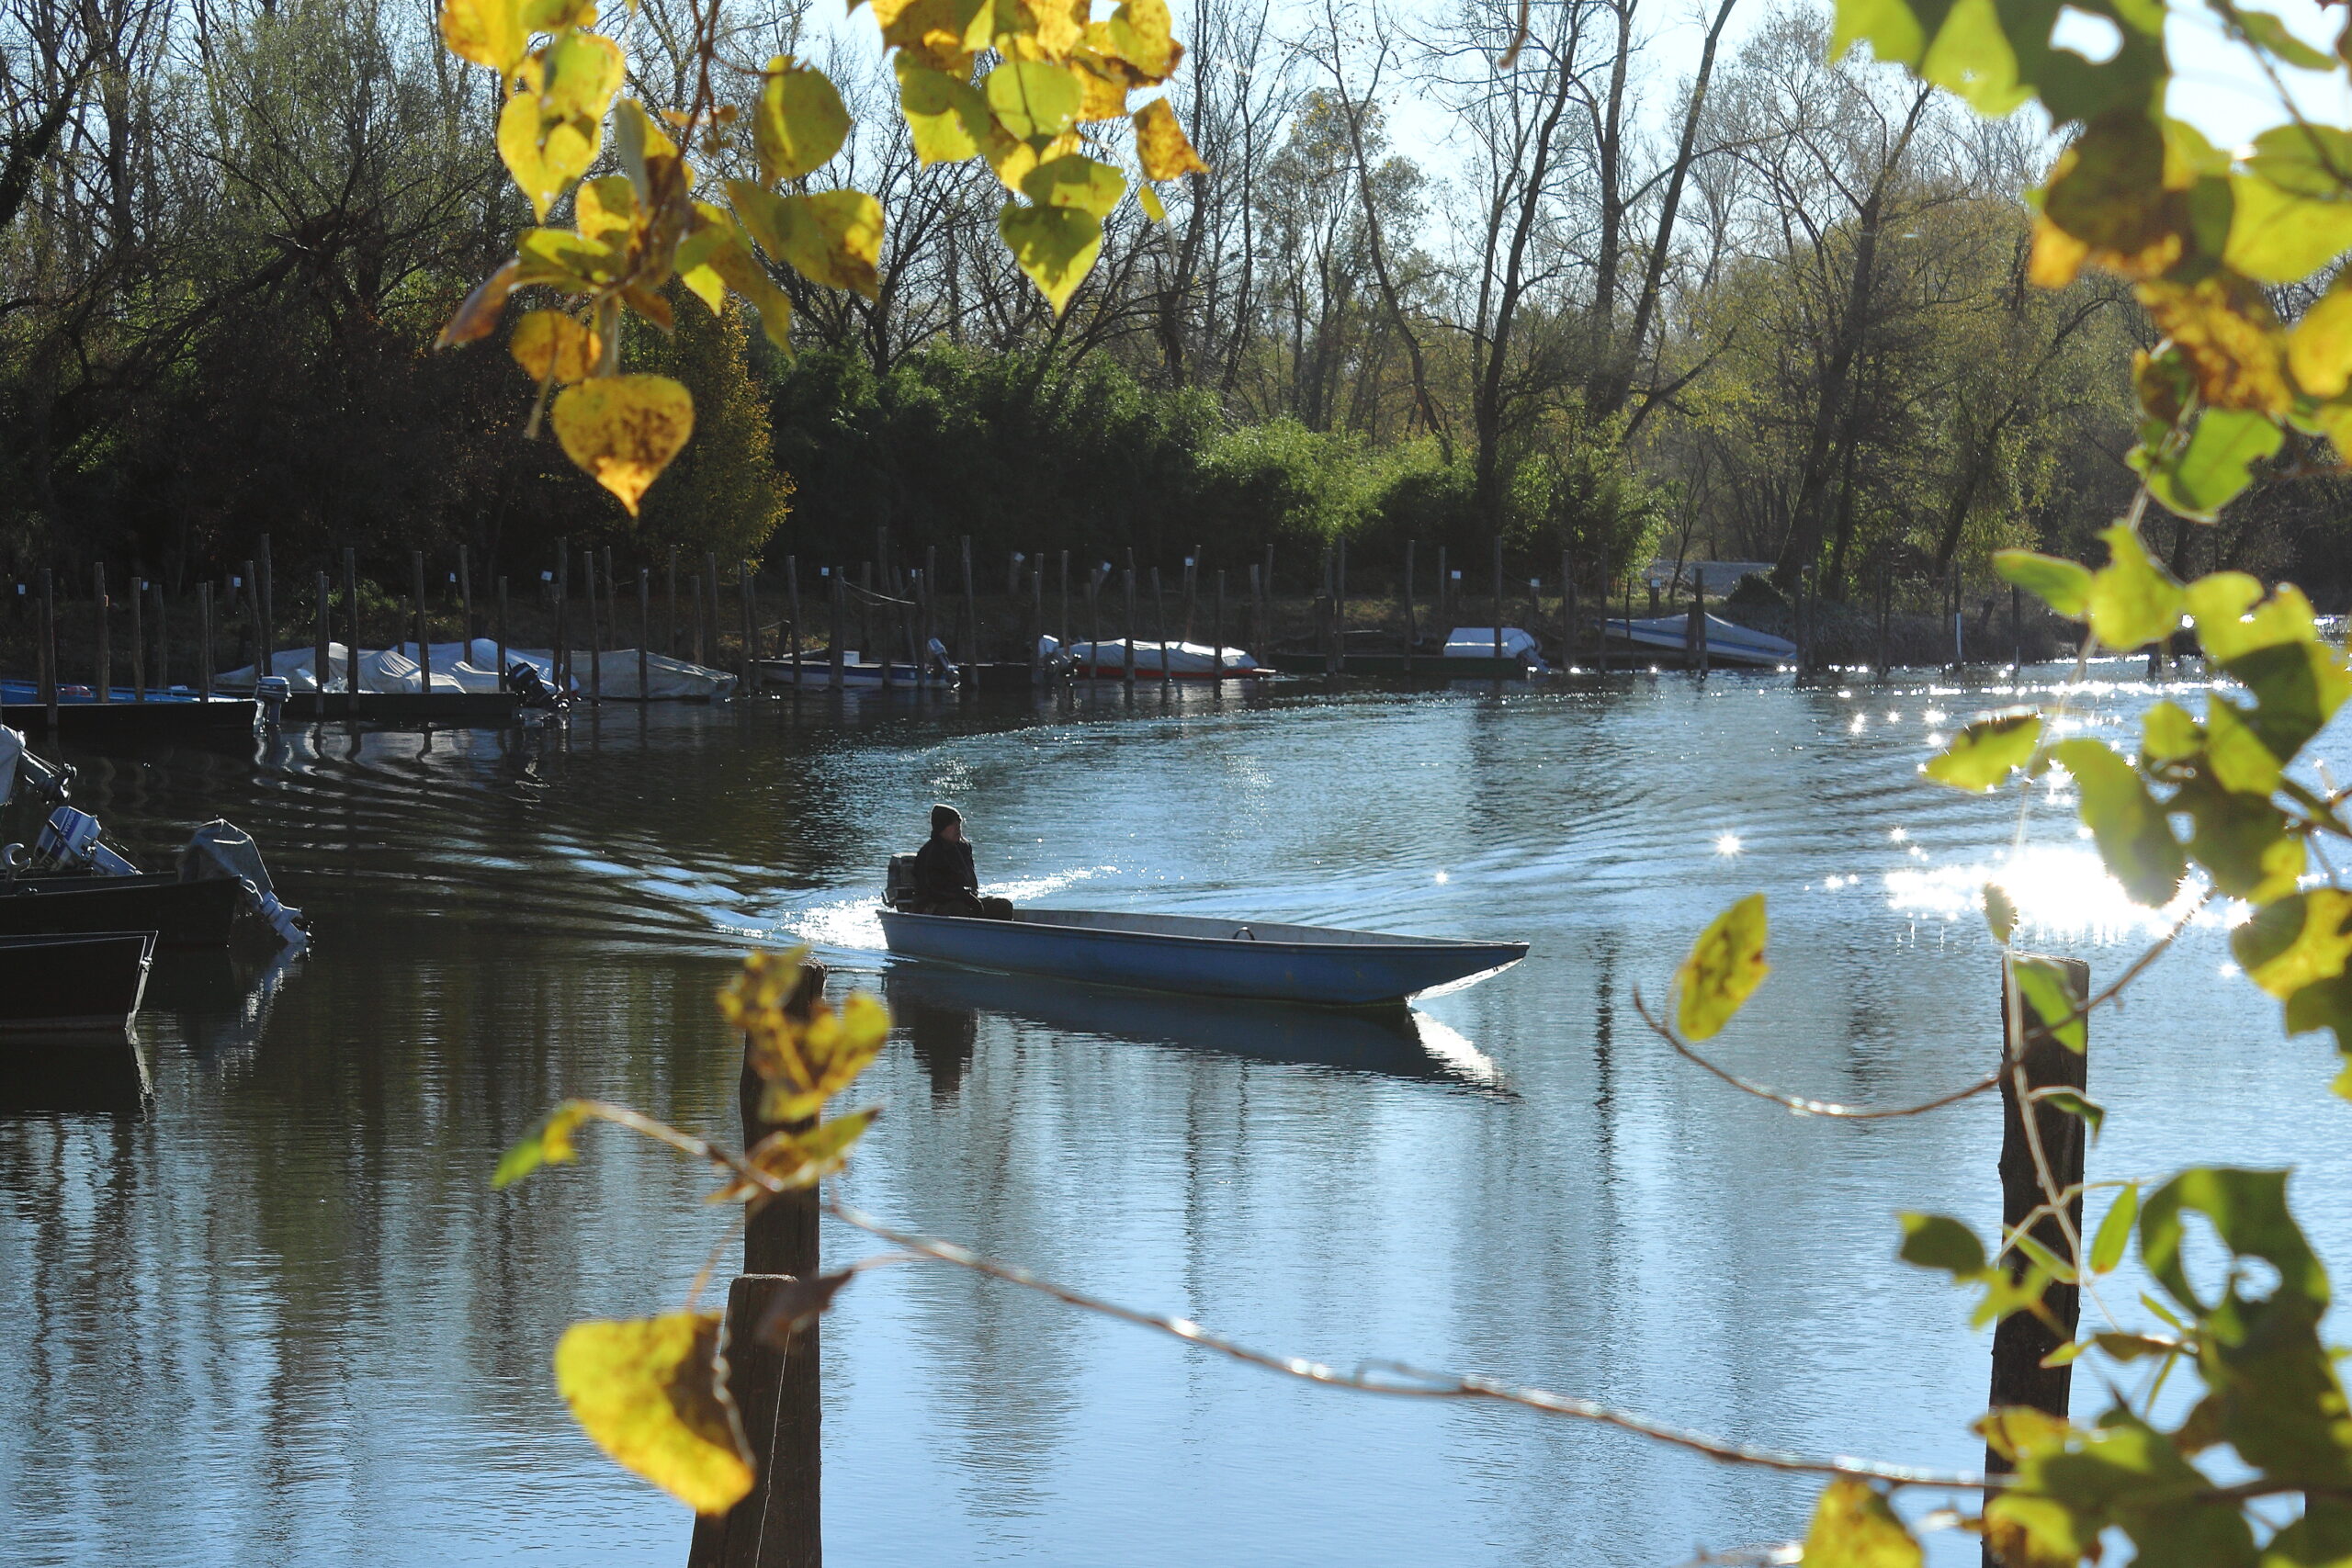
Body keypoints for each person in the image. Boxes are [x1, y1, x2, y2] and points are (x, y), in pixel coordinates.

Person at [911, 805, 1012, 919]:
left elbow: (971, 882)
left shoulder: (963, 848)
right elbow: (933, 890)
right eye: (952, 824)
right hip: (933, 907)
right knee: (960, 909)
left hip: (965, 901)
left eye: (959, 823)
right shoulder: (929, 853)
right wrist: (965, 897)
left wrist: (971, 897)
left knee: (1003, 905)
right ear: (941, 827)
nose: (957, 827)